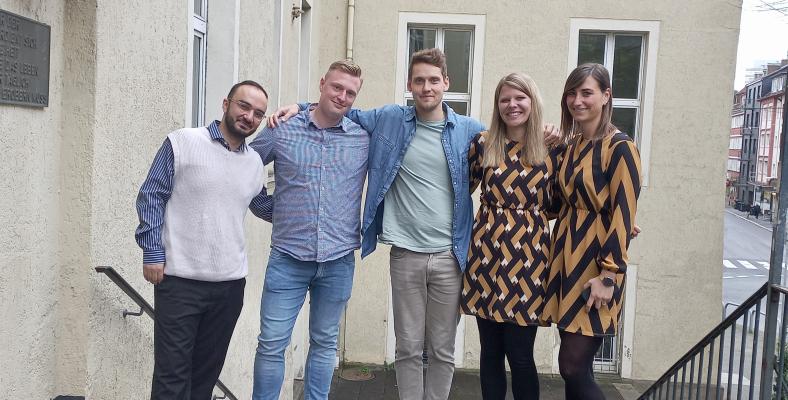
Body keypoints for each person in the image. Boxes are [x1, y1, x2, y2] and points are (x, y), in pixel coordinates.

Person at [271, 48, 559, 400]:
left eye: (434, 80)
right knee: (407, 347)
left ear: (446, 83)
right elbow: (341, 108)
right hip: (405, 254)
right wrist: (300, 107)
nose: (427, 87)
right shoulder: (391, 119)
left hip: (451, 257)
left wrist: (547, 131)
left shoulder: (471, 131)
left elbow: (514, 140)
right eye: (419, 80)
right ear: (410, 84)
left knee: (442, 349)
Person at [135, 80, 272, 400]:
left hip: (229, 288)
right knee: (171, 378)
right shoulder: (182, 142)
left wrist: (309, 201)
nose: (249, 116)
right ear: (226, 104)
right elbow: (152, 196)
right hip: (180, 283)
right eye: (244, 106)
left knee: (203, 380)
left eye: (258, 113)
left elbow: (263, 206)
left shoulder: (253, 162)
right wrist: (152, 252)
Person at [248, 60, 368, 400]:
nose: (342, 96)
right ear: (322, 84)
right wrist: (268, 209)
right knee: (271, 343)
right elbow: (245, 165)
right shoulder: (282, 129)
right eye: (336, 87)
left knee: (324, 344)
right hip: (288, 258)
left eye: (350, 92)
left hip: (338, 260)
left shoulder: (362, 138)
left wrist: (302, 103)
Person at [541, 63, 642, 400]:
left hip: (597, 266)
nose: (577, 100)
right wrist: (547, 150)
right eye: (572, 93)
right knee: (576, 369)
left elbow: (624, 212)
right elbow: (553, 205)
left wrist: (609, 275)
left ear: (606, 96)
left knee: (571, 364)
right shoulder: (571, 146)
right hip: (565, 258)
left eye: (586, 92)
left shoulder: (620, 147)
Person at [460, 73, 560, 399]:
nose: (512, 105)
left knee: (520, 355)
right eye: (505, 99)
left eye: (519, 98)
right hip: (486, 256)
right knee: (489, 353)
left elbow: (568, 202)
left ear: (533, 102)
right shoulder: (483, 143)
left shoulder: (552, 148)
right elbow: (459, 191)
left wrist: (616, 220)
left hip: (529, 260)